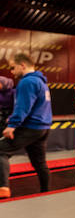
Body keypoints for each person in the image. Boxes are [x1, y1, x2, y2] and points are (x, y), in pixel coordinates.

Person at [0, 53, 52, 199]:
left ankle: (3, 188)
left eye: (12, 68)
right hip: (43, 128)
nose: (11, 72)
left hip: (30, 127)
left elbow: (23, 106)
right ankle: (46, 192)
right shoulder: (41, 81)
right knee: (39, 162)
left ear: (22, 65)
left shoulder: (27, 82)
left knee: (1, 151)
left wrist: (12, 125)